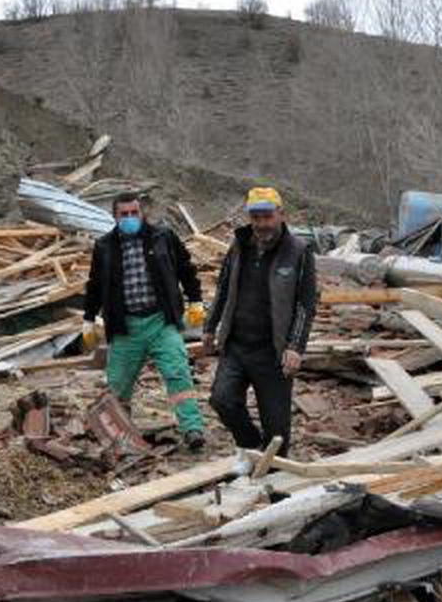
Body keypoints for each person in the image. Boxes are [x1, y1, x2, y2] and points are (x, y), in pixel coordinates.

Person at [83, 193, 208, 449]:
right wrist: (88, 318)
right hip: (125, 326)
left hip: (161, 321)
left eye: (134, 213)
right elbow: (94, 285)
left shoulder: (163, 237)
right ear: (115, 216)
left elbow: (186, 268)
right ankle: (120, 435)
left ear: (142, 213)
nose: (129, 218)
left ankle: (192, 428)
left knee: (177, 373)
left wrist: (195, 299)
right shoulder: (105, 246)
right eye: (123, 214)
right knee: (118, 385)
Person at [203, 187, 317, 457]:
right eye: (256, 218)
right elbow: (223, 289)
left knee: (277, 431)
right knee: (222, 400)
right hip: (237, 345)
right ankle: (250, 445)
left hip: (273, 352)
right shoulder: (239, 245)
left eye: (267, 217)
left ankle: (275, 479)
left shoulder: (298, 251)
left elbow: (306, 304)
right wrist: (210, 327)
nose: (261, 224)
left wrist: (295, 346)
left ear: (280, 214)